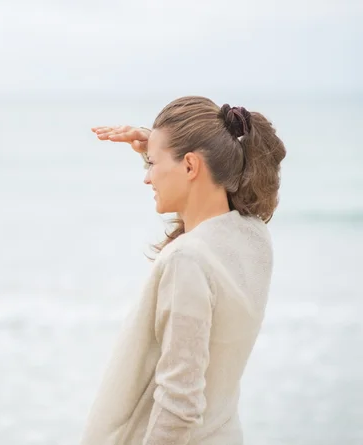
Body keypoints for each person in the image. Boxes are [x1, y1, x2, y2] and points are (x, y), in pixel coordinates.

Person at [80, 96, 286, 445]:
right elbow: (204, 213)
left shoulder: (187, 261)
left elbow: (179, 402)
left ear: (190, 166)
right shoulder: (252, 238)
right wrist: (162, 150)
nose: (147, 178)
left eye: (151, 164)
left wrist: (163, 150)